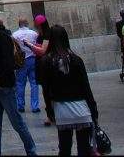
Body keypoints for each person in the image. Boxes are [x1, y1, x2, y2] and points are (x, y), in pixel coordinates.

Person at [0, 9, 37, 157]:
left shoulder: (2, 37)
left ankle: (31, 150)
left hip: (4, 87)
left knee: (17, 122)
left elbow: (8, 63)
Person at [37, 24, 98, 157]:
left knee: (64, 148)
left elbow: (46, 90)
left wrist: (49, 110)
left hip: (62, 110)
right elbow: (86, 87)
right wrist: (93, 109)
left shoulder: (46, 62)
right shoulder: (76, 60)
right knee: (84, 149)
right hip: (81, 110)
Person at [13, 18, 41, 114]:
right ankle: (35, 106)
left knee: (20, 83)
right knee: (34, 83)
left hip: (21, 61)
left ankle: (20, 105)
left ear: (19, 24)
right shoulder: (34, 33)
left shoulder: (15, 35)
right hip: (33, 59)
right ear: (27, 23)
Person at [31, 14, 52, 124]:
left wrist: (31, 46)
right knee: (45, 91)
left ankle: (52, 114)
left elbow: (43, 50)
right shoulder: (40, 34)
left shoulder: (47, 34)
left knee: (50, 90)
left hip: (47, 65)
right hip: (41, 65)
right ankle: (50, 114)